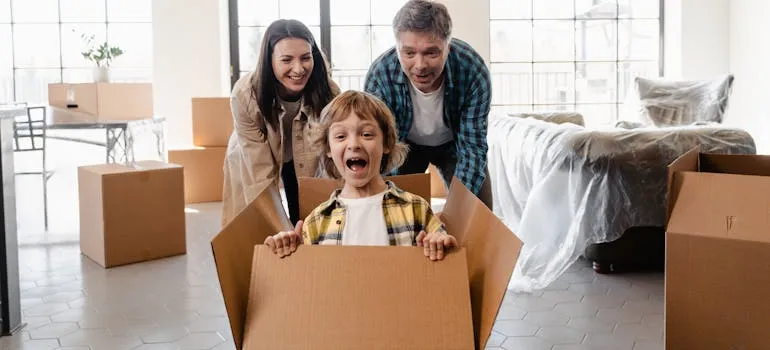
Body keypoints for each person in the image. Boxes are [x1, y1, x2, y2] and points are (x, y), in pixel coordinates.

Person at [264, 90, 457, 261]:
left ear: (387, 144)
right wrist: (290, 249)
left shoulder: (416, 209)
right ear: (328, 149)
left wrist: (439, 242)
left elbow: (443, 246)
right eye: (340, 136)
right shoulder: (316, 221)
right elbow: (309, 282)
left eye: (366, 134)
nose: (354, 144)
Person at [363, 0, 494, 209]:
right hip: (404, 145)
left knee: (477, 212)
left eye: (431, 53)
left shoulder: (472, 70)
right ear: (397, 49)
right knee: (396, 213)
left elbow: (472, 147)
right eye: (409, 53)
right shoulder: (380, 76)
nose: (420, 66)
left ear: (447, 47)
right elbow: (382, 146)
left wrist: (458, 210)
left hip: (455, 145)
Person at [222, 19, 339, 227]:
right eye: (286, 60)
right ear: (269, 60)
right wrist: (281, 230)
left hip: (304, 154)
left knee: (306, 217)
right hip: (254, 155)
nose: (298, 69)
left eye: (305, 58)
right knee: (259, 222)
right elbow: (260, 178)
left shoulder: (328, 91)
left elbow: (333, 154)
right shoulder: (245, 95)